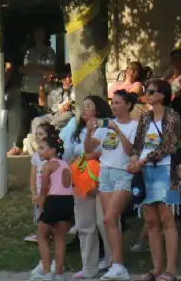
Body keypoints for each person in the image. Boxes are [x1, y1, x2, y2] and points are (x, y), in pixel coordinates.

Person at [129, 79, 181, 281]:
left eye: (151, 92)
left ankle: (171, 270)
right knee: (151, 221)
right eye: (146, 91)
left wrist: (143, 161)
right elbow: (137, 144)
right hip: (146, 173)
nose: (147, 95)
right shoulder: (145, 117)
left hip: (168, 172)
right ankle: (157, 268)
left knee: (168, 219)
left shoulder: (173, 116)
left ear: (162, 95)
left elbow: (168, 145)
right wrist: (135, 158)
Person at [85, 90, 139, 281]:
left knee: (109, 218)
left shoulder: (134, 125)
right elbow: (89, 149)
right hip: (104, 173)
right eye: (112, 103)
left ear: (128, 105)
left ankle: (118, 264)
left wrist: (117, 129)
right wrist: (89, 132)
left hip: (122, 173)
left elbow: (130, 149)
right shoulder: (104, 125)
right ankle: (117, 264)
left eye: (118, 103)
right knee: (110, 222)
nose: (114, 106)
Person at [67, 96, 113, 279]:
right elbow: (69, 154)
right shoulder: (76, 131)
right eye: (82, 106)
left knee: (105, 222)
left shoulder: (107, 129)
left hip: (101, 180)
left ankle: (112, 264)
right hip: (80, 181)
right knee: (85, 225)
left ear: (98, 110)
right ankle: (89, 268)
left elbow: (100, 152)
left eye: (88, 106)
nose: (84, 110)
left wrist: (87, 156)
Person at [30, 134, 74, 281]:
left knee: (41, 236)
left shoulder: (47, 166)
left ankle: (48, 273)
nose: (39, 152)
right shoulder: (65, 164)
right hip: (68, 201)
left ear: (53, 150)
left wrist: (41, 209)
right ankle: (60, 274)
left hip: (53, 201)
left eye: (42, 148)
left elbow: (44, 191)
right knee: (60, 238)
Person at [12, 26, 57, 156]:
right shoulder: (29, 51)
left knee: (38, 119)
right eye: (36, 33)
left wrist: (34, 69)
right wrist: (39, 70)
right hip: (26, 88)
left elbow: (51, 71)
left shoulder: (49, 51)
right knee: (23, 119)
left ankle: (38, 146)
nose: (38, 35)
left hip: (42, 90)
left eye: (40, 33)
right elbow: (23, 69)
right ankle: (18, 146)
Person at [28, 64, 75, 152]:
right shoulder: (53, 87)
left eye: (70, 76)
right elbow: (41, 103)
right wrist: (41, 86)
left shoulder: (75, 88)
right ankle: (36, 142)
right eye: (65, 77)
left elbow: (69, 103)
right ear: (60, 78)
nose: (68, 79)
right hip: (53, 114)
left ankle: (45, 145)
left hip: (67, 114)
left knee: (54, 123)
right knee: (36, 121)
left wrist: (65, 105)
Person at [26, 123, 60, 244]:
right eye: (37, 134)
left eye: (41, 134)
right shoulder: (35, 157)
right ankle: (42, 236)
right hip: (39, 195)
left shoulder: (56, 157)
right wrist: (34, 194)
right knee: (40, 217)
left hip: (52, 195)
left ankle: (50, 238)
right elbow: (33, 178)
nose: (38, 137)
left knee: (51, 220)